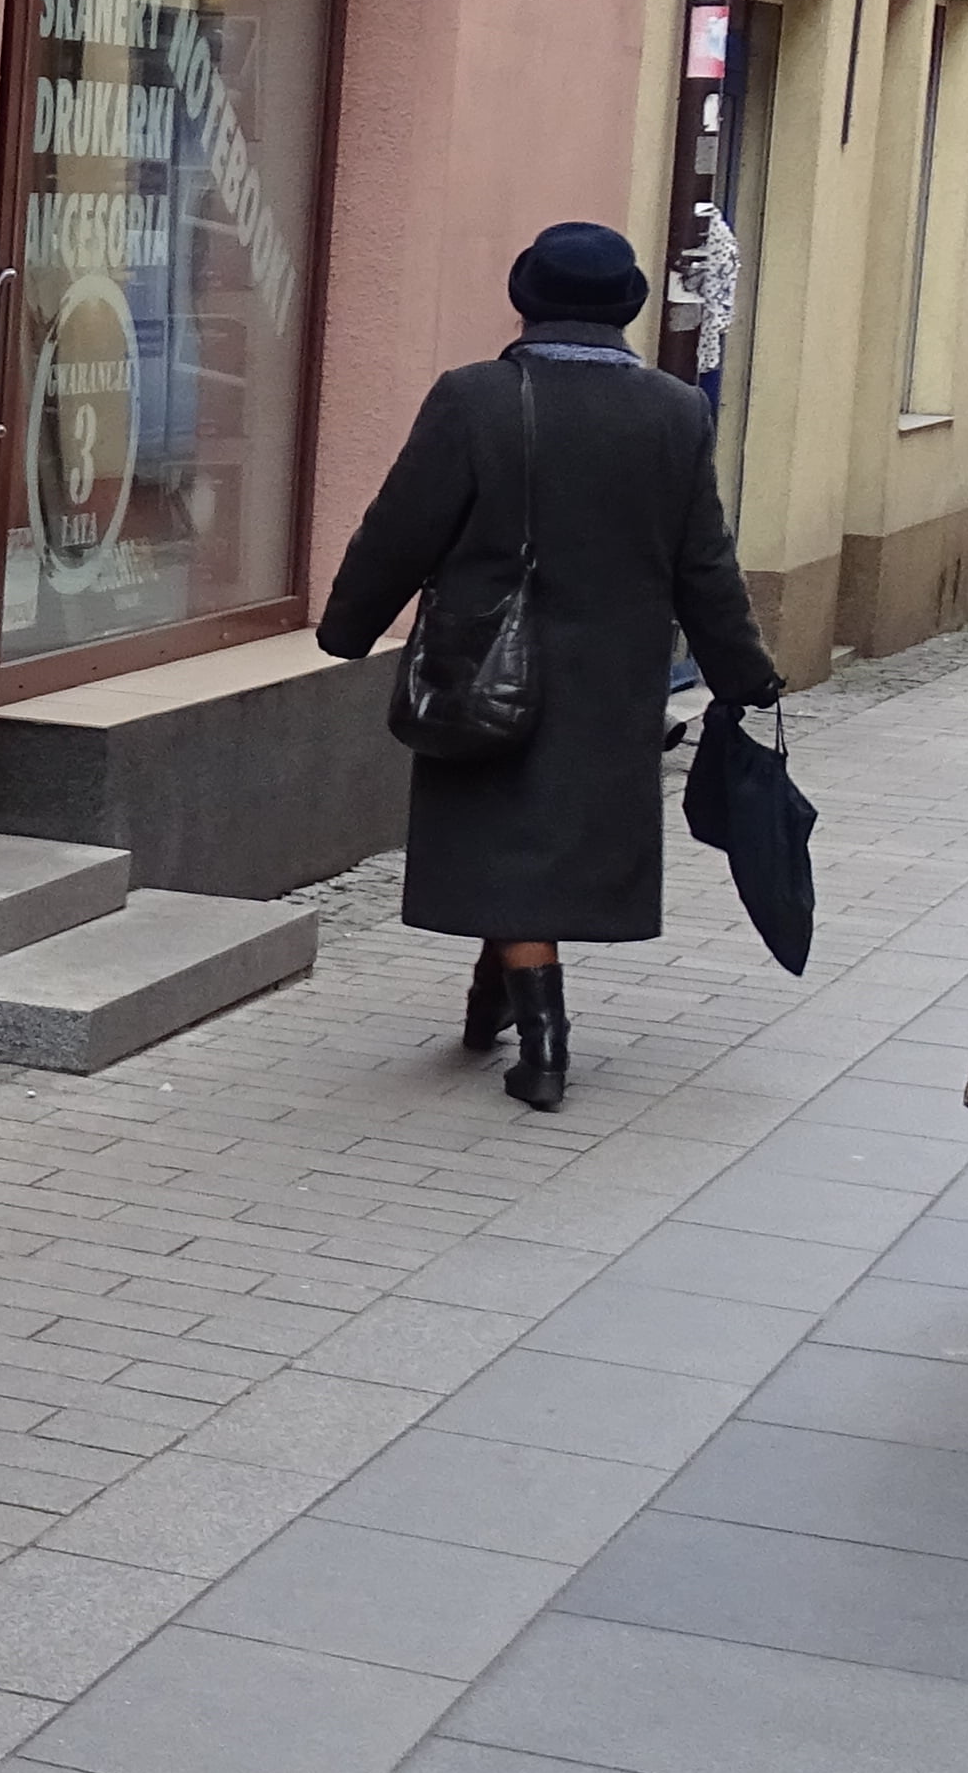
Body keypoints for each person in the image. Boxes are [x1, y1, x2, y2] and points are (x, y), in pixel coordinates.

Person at [317, 221, 780, 1112]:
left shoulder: (475, 399)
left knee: (503, 843)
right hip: (613, 685)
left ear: (525, 297)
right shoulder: (676, 411)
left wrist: (349, 626)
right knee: (534, 850)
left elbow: (402, 527)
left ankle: (545, 1044)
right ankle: (491, 998)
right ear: (627, 305)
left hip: (484, 671)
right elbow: (704, 562)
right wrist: (742, 670)